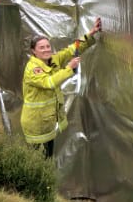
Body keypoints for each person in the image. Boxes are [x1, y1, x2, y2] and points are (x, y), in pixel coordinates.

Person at [21, 17, 101, 157]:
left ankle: (46, 170)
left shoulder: (54, 59)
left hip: (47, 121)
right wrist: (69, 68)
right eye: (41, 47)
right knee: (35, 159)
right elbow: (49, 82)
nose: (46, 50)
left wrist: (91, 33)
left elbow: (73, 48)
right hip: (36, 123)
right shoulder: (32, 69)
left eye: (47, 46)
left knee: (48, 156)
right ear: (34, 51)